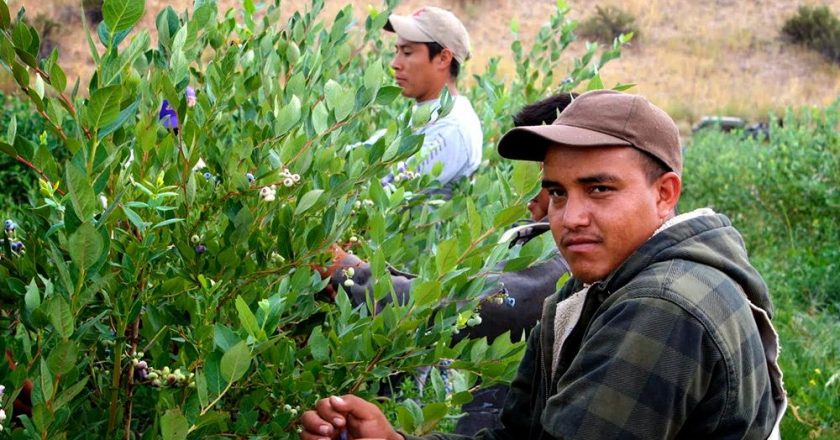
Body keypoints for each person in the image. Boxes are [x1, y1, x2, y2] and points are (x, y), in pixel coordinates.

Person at [300, 90, 787, 440]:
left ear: (664, 195)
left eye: (600, 189)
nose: (569, 217)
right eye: (557, 191)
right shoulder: (593, 289)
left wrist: (351, 277)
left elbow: (488, 303)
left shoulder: (662, 305)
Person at [380, 6, 482, 187]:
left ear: (443, 58)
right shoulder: (423, 113)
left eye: (407, 52)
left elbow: (386, 189)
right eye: (397, 51)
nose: (395, 63)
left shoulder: (451, 129)